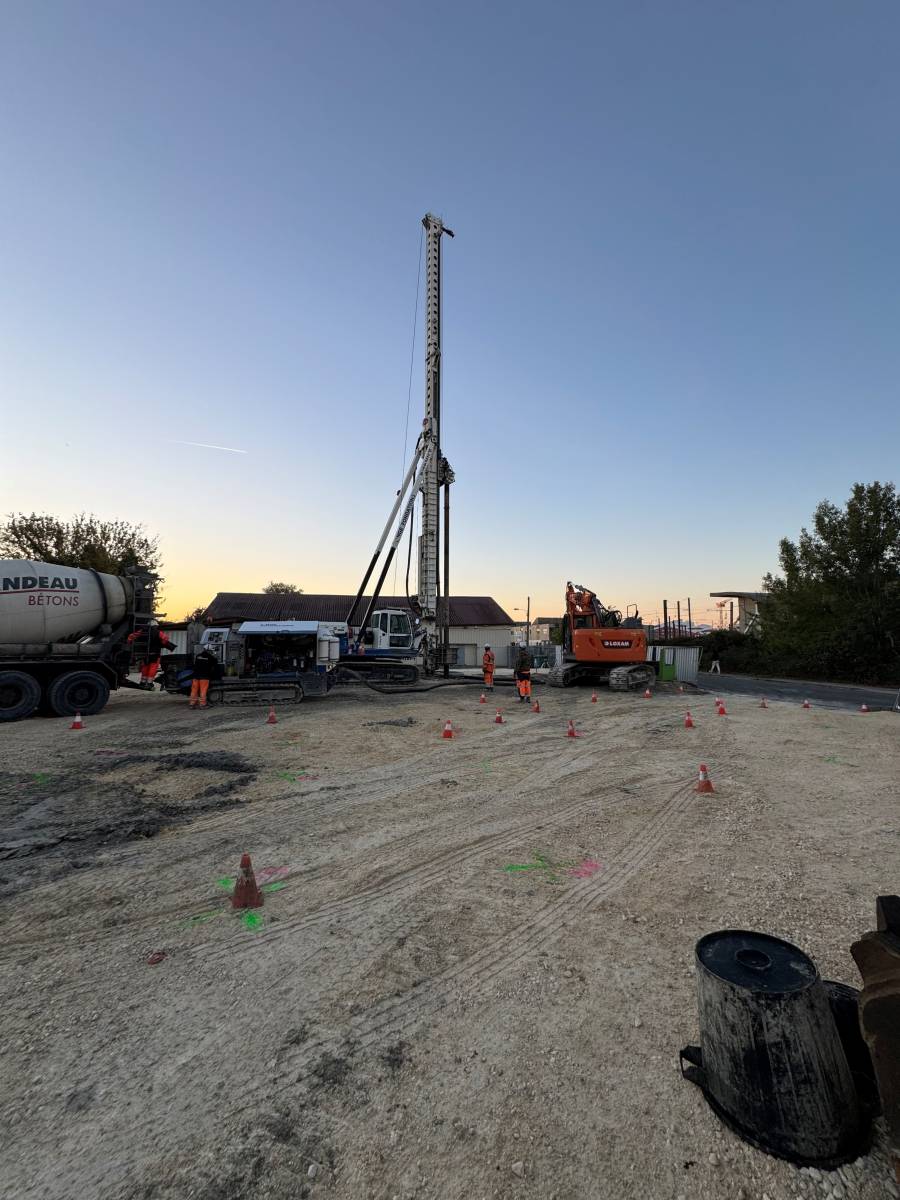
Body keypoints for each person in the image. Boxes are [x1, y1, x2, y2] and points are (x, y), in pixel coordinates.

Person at [127, 620, 174, 689]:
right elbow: (165, 639)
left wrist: (129, 642)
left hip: (145, 653)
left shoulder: (142, 631)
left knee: (145, 667)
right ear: (155, 626)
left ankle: (143, 682)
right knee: (153, 668)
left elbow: (131, 636)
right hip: (155, 653)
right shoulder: (158, 632)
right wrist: (162, 643)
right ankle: (149, 683)